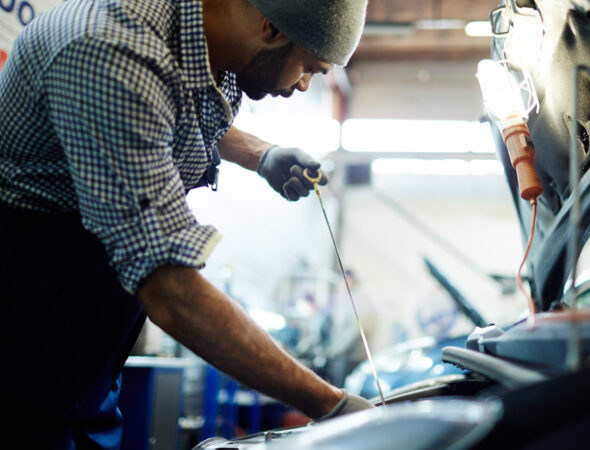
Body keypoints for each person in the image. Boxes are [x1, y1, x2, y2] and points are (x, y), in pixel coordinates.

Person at [0, 0, 372, 447]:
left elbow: (167, 106)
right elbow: (171, 288)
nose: (303, 84)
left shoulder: (199, 38)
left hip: (83, 338)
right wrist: (333, 405)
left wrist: (260, 153)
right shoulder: (110, 48)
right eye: (308, 67)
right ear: (270, 30)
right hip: (21, 326)